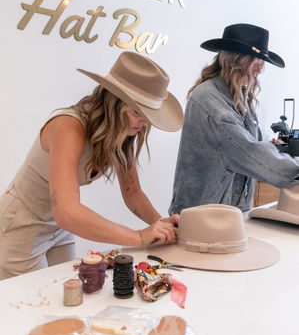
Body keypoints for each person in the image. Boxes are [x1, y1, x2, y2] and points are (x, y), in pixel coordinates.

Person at [0, 52, 183, 279]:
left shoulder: (123, 132)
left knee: (70, 295)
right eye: (138, 112)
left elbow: (133, 193)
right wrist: (139, 237)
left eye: (148, 114)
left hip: (59, 228)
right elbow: (67, 212)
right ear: (114, 103)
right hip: (21, 224)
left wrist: (160, 224)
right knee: (25, 306)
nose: (144, 122)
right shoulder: (68, 126)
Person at [169, 23, 299, 215]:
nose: (258, 74)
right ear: (234, 61)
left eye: (261, 68)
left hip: (228, 213)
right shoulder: (210, 100)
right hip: (201, 218)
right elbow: (248, 151)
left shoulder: (238, 96)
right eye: (256, 66)